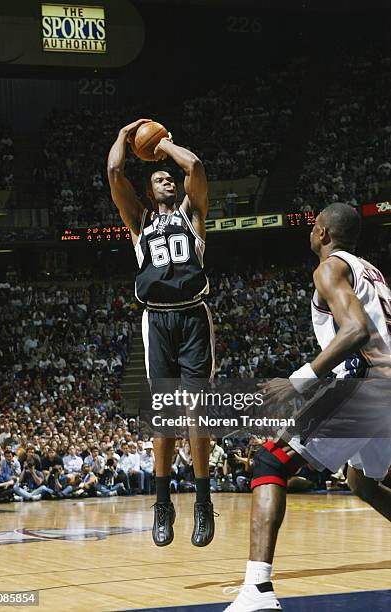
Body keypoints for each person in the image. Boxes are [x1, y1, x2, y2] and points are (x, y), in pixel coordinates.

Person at [225, 202, 391, 611]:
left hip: (368, 385)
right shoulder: (373, 272)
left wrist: (297, 381)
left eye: (313, 226)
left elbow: (355, 331)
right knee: (361, 482)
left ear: (322, 233)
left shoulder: (330, 267)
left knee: (269, 462)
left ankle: (257, 591)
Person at [108, 118, 215, 547]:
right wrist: (124, 137)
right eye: (158, 178)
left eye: (170, 178)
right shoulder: (139, 222)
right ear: (149, 192)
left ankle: (204, 502)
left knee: (196, 410)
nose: (167, 180)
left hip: (192, 316)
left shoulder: (193, 213)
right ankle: (163, 502)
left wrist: (163, 145)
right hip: (156, 318)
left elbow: (196, 168)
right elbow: (115, 174)